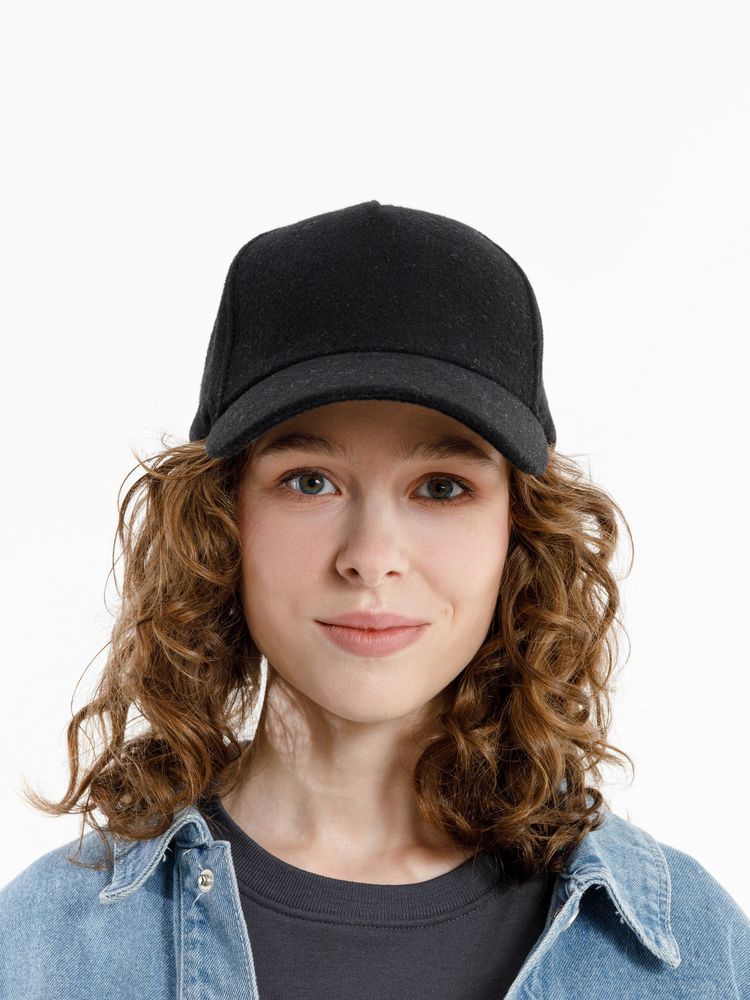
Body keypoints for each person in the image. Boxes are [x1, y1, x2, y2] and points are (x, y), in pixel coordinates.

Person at [0, 200, 747, 1000]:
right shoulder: (41, 947)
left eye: (442, 487)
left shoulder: (695, 949)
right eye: (309, 481)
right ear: (219, 522)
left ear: (519, 532)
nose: (370, 558)